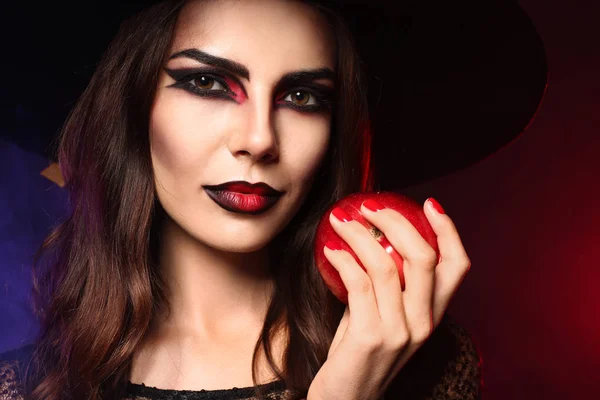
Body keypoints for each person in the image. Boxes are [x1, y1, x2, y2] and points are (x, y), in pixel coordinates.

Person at [0, 0, 547, 399]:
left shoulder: (419, 365)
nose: (260, 139)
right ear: (132, 109)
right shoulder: (22, 389)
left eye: (302, 96)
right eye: (209, 83)